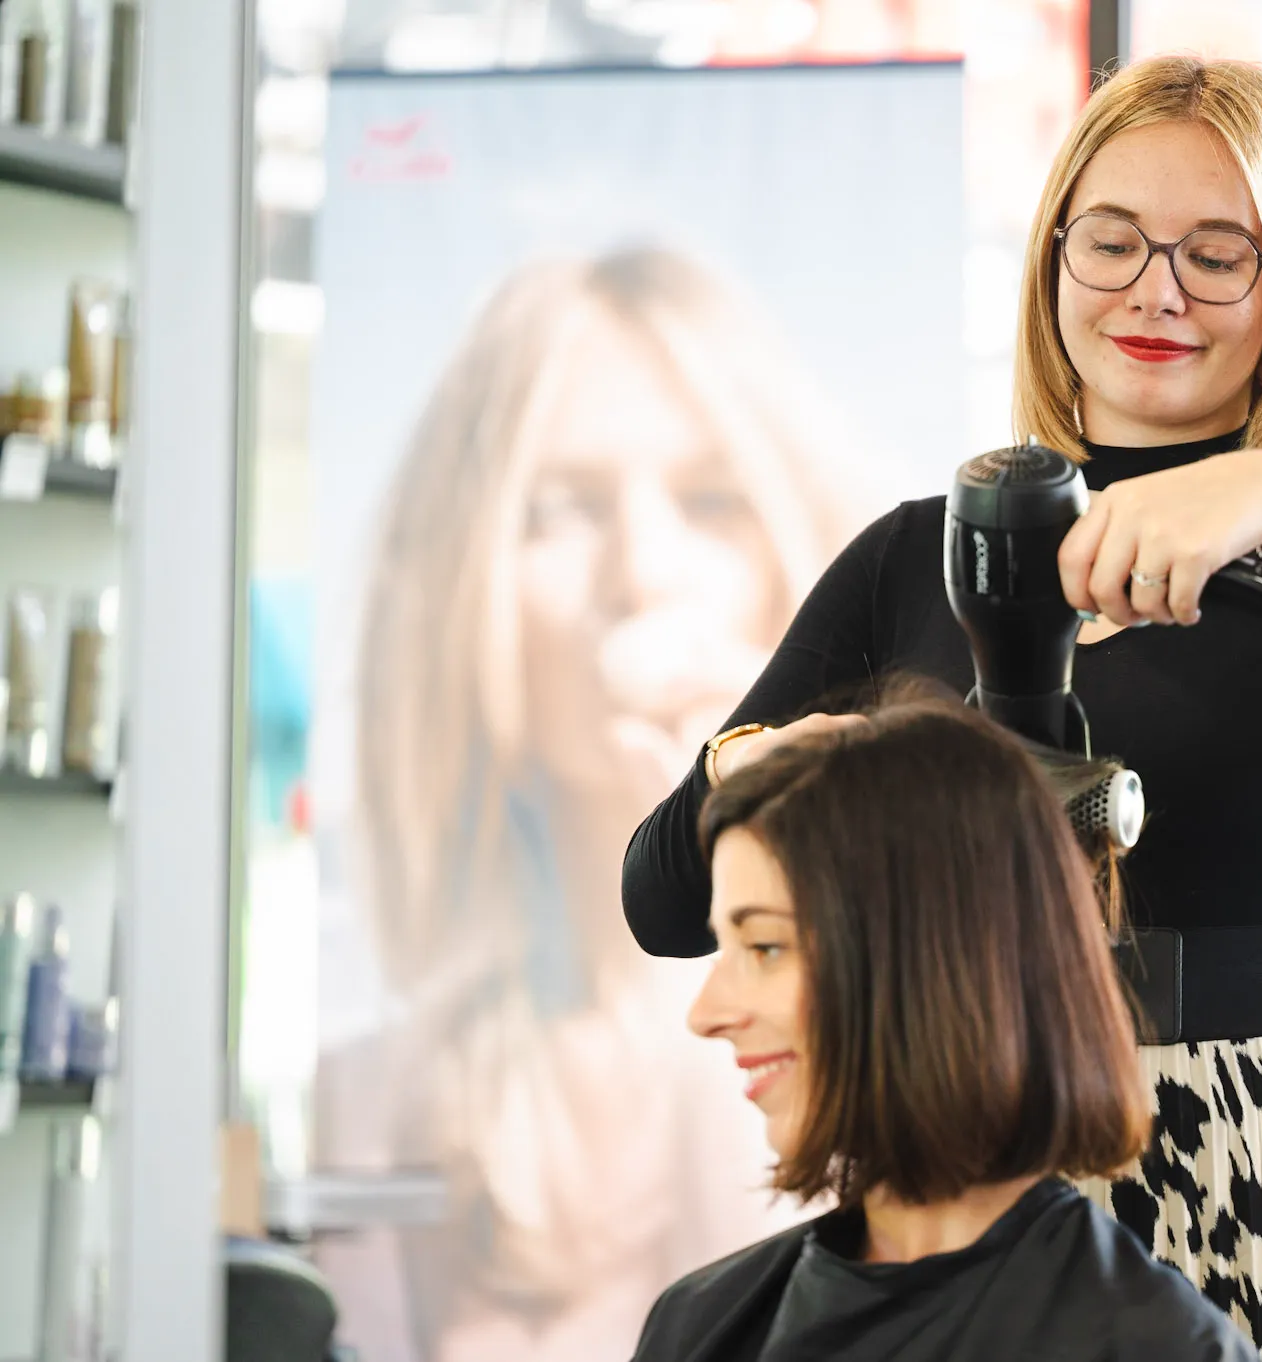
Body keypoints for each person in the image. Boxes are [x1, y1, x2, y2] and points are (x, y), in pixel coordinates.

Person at [624, 56, 1262, 1362]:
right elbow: (662, 900)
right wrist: (777, 758)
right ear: (1050, 262)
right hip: (972, 1162)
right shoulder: (918, 557)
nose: (1156, 290)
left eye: (1219, 254)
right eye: (1112, 242)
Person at [317, 247, 873, 1362]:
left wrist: (731, 846)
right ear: (460, 581)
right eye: (564, 509)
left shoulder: (908, 1040)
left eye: (710, 501)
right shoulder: (372, 1103)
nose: (642, 572)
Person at [634, 693, 1258, 1362]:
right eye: (724, 946)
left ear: (932, 959)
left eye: (765, 948)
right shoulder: (700, 1326)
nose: (707, 1014)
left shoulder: (1157, 1349)